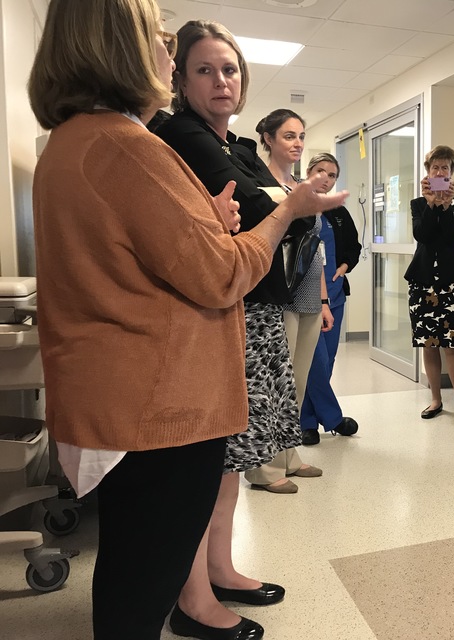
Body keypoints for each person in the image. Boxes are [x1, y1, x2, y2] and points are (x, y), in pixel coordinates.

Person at [26, 2, 344, 638]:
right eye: (159, 38)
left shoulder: (77, 140)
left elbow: (146, 253)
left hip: (123, 397)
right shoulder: (125, 146)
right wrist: (286, 212)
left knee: (134, 569)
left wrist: (208, 227)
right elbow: (222, 274)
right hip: (156, 408)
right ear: (119, 47)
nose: (168, 56)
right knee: (141, 587)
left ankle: (208, 581)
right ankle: (194, 604)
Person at [154, 19, 338, 637]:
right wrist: (288, 204)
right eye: (204, 70)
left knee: (230, 459)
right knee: (206, 463)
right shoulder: (181, 134)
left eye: (229, 69)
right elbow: (266, 208)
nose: (221, 81)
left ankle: (220, 569)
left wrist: (283, 207)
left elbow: (272, 212)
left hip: (249, 309)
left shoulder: (230, 143)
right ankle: (193, 599)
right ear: (180, 79)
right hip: (216, 317)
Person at [255, 112, 357, 451]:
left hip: (323, 292)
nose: (326, 179)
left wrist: (339, 275)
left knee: (315, 366)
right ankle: (323, 420)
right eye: (289, 136)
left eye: (301, 136)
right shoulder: (274, 190)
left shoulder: (334, 210)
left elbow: (334, 251)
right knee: (304, 368)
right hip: (286, 293)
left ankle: (303, 428)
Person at [405, 145, 454, 428]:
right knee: (429, 344)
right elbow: (421, 235)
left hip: (451, 282)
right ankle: (435, 399)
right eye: (434, 167)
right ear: (428, 172)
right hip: (422, 280)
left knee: (452, 346)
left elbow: (452, 237)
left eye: (444, 168)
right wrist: (430, 204)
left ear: (451, 172)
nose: (439, 172)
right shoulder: (418, 204)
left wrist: (446, 206)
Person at [299, 153, 361, 445]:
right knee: (314, 361)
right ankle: (331, 418)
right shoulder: (298, 207)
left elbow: (353, 247)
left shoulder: (338, 212)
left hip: (334, 295)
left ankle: (307, 422)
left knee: (327, 360)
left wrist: (344, 266)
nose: (326, 179)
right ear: (308, 172)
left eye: (332, 174)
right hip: (305, 296)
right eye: (320, 171)